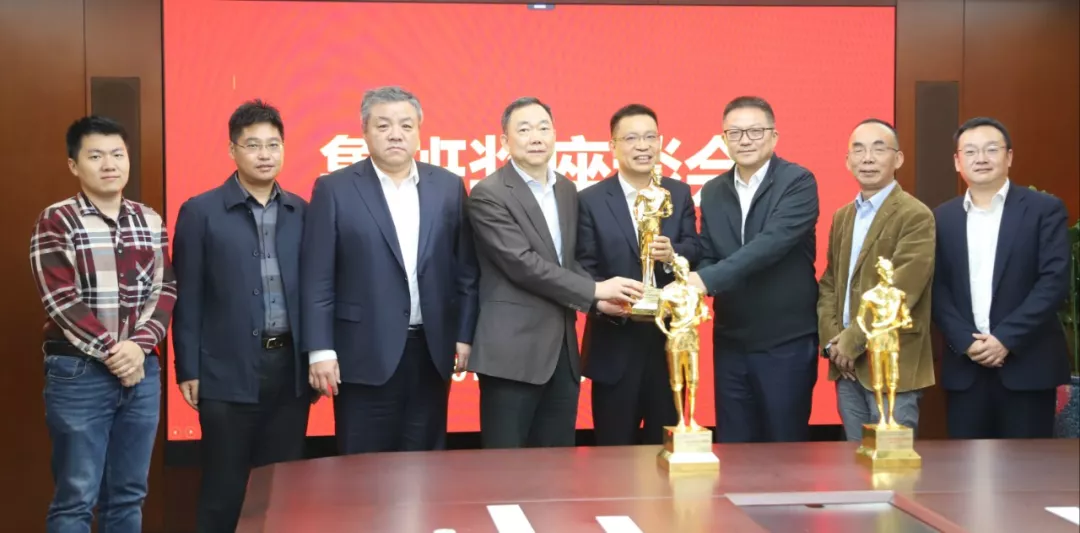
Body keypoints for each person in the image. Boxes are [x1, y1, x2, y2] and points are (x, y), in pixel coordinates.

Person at [301, 86, 479, 454]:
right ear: (365, 132)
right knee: (363, 466)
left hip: (431, 350)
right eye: (383, 126)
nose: (395, 134)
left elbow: (465, 269)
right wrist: (320, 350)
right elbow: (317, 278)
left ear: (419, 132)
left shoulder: (448, 186)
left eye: (406, 125)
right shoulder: (334, 189)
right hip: (361, 352)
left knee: (426, 463)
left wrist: (464, 334)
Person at [467, 97, 644, 449]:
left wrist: (598, 303)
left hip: (562, 353)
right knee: (505, 465)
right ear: (504, 141)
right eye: (524, 129)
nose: (536, 137)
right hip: (511, 353)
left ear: (554, 135)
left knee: (557, 465)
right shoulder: (489, 193)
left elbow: (566, 262)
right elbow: (522, 264)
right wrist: (595, 290)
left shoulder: (566, 189)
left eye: (543, 128)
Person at [30, 115, 176, 532]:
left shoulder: (149, 219)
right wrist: (115, 352)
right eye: (95, 156)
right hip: (79, 372)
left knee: (129, 494)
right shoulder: (56, 220)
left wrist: (138, 347)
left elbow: (165, 289)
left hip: (141, 371)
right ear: (74, 165)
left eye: (117, 154)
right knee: (76, 497)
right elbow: (61, 300)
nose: (109, 164)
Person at [172, 100, 312, 532]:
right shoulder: (201, 211)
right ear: (232, 150)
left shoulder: (301, 211)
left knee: (282, 488)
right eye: (253, 145)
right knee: (224, 488)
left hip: (288, 370)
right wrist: (188, 367)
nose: (264, 154)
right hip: (225, 370)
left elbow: (316, 292)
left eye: (273, 144)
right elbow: (187, 294)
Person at [688, 96, 820, 443]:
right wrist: (690, 276)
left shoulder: (798, 182)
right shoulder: (713, 191)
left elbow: (769, 246)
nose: (744, 140)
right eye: (735, 133)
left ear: (774, 136)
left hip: (785, 341)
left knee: (784, 447)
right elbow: (708, 252)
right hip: (731, 340)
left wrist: (704, 280)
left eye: (755, 131)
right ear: (724, 139)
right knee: (734, 448)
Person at [932, 116, 1071, 439]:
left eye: (991, 149)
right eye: (970, 151)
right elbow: (936, 288)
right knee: (966, 465)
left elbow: (1053, 281)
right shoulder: (941, 217)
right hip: (966, 369)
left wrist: (1005, 338)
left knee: (1027, 467)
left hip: (1028, 367)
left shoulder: (1044, 210)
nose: (981, 158)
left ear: (1009, 157)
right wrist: (965, 341)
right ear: (957, 162)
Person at [577, 103, 700, 445]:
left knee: (667, 449)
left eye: (650, 137)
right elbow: (582, 265)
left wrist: (672, 254)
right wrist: (602, 301)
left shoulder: (678, 192)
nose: (643, 146)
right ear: (613, 146)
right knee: (613, 453)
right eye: (631, 138)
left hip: (667, 343)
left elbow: (695, 248)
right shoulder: (590, 199)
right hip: (615, 342)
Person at [817, 119, 936, 441]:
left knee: (891, 462)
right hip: (847, 367)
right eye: (858, 150)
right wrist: (833, 343)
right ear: (847, 161)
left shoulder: (915, 215)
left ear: (898, 159)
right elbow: (830, 284)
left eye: (878, 149)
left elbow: (901, 291)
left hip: (892, 362)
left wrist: (852, 342)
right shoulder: (844, 216)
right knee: (853, 461)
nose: (867, 158)